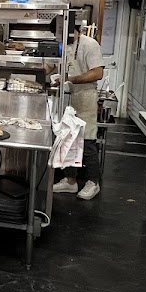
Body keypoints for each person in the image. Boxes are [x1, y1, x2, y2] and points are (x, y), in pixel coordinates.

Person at [52, 23, 104, 200]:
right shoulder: (61, 45)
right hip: (65, 99)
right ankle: (70, 180)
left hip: (85, 97)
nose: (58, 37)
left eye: (60, 32)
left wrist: (71, 79)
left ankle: (93, 182)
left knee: (87, 141)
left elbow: (97, 73)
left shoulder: (89, 44)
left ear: (68, 27)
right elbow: (50, 65)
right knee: (67, 139)